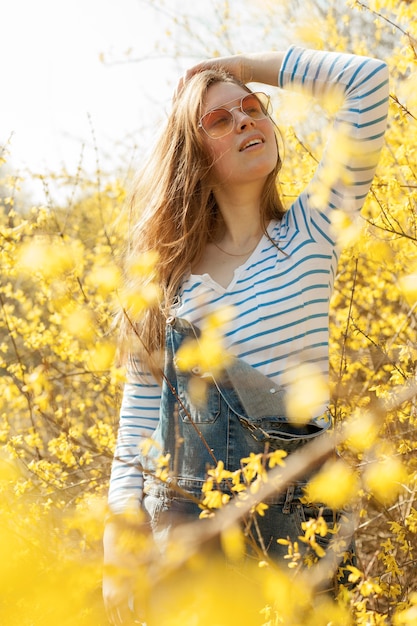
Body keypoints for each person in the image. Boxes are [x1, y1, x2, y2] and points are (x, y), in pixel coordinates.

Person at [103, 45, 389, 625]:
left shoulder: (309, 234)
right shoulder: (167, 280)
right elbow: (138, 417)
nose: (247, 121)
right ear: (194, 155)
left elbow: (368, 82)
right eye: (221, 119)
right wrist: (119, 531)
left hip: (297, 519)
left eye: (254, 109)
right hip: (187, 526)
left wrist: (240, 68)